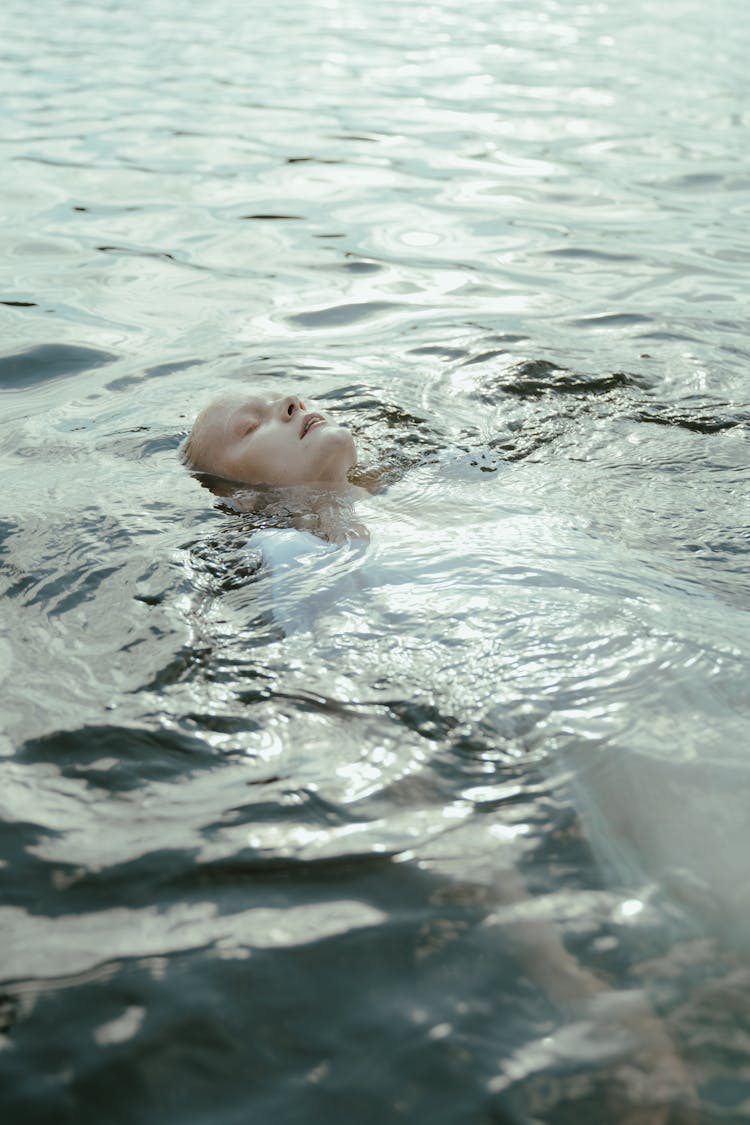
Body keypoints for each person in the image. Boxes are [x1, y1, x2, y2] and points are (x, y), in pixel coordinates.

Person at [182, 388, 696, 1120]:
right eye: (250, 423)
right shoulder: (291, 554)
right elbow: (372, 742)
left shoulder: (446, 478)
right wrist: (564, 975)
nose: (289, 403)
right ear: (236, 492)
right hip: (605, 732)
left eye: (285, 394)